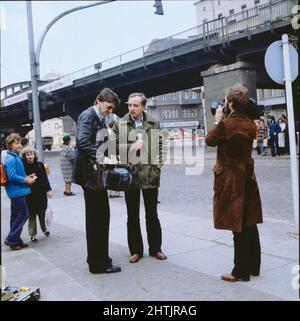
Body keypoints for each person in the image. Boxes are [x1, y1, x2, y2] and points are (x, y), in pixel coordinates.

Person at [205, 84, 263, 282]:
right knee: (250, 222)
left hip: (231, 178)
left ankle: (240, 271)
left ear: (230, 103)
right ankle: (254, 266)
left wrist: (217, 119)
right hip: (248, 175)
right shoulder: (250, 124)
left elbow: (209, 140)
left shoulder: (226, 124)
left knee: (236, 226)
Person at [112, 92, 167, 264]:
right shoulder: (120, 124)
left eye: (135, 105)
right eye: (129, 105)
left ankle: (155, 248)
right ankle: (136, 251)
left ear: (143, 106)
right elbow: (111, 147)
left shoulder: (153, 123)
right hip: (130, 175)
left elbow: (162, 146)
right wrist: (130, 146)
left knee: (152, 214)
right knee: (132, 215)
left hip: (150, 175)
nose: (132, 108)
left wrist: (157, 167)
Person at [73, 87, 121, 274]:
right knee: (98, 218)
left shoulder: (98, 117)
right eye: (108, 107)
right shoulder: (88, 115)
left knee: (99, 217)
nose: (109, 112)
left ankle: (98, 259)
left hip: (93, 176)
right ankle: (98, 263)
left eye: (112, 109)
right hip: (90, 177)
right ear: (99, 100)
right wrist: (104, 157)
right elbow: (83, 141)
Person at [3, 134, 36, 250]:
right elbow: (12, 176)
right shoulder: (11, 159)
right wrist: (25, 179)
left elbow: (17, 174)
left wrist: (27, 176)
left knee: (16, 216)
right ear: (10, 145)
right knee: (23, 214)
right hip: (17, 191)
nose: (19, 145)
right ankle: (11, 239)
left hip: (17, 191)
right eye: (16, 143)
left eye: (20, 142)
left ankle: (16, 240)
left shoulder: (15, 156)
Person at [22, 147, 52, 242]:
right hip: (29, 194)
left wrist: (49, 190)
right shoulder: (22, 166)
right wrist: (27, 178)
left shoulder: (40, 165)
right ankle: (33, 234)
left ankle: (44, 229)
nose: (30, 156)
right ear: (25, 156)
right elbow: (21, 179)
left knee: (42, 213)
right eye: (27, 154)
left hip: (41, 193)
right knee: (31, 215)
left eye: (31, 154)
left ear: (34, 155)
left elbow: (44, 179)